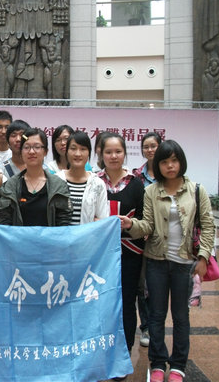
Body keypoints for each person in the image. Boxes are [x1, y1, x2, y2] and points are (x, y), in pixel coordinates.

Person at [119, 140, 215, 382]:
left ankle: (178, 366)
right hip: (156, 262)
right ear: (158, 165)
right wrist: (131, 224)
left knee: (181, 317)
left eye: (174, 160)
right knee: (156, 316)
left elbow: (208, 225)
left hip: (185, 263)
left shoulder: (196, 190)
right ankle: (158, 364)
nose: (170, 166)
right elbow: (147, 225)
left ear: (181, 162)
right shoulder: (151, 191)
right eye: (164, 162)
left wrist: (203, 257)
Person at [97, 133, 145, 381]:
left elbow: (145, 222)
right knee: (100, 303)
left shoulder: (136, 184)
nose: (113, 156)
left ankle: (122, 355)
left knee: (126, 304)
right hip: (99, 257)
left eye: (118, 151)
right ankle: (100, 354)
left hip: (129, 255)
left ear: (125, 153)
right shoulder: (94, 182)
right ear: (100, 154)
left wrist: (130, 225)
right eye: (108, 152)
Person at [0, 128, 72, 226]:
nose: (31, 151)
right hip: (17, 236)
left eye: (37, 147)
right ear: (21, 152)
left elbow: (63, 223)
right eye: (26, 147)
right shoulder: (10, 186)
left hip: (51, 236)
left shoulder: (59, 185)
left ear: (45, 151)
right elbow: (5, 222)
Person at [132, 131, 162, 347]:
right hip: (140, 236)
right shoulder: (136, 176)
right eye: (146, 146)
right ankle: (146, 327)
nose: (150, 150)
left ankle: (156, 325)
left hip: (161, 238)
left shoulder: (167, 174)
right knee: (142, 286)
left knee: (157, 286)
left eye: (153, 146)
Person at [56, 131, 109, 224]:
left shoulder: (97, 184)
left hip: (88, 234)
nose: (78, 154)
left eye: (83, 149)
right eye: (73, 148)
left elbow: (103, 220)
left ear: (89, 153)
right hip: (60, 233)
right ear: (67, 152)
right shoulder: (56, 180)